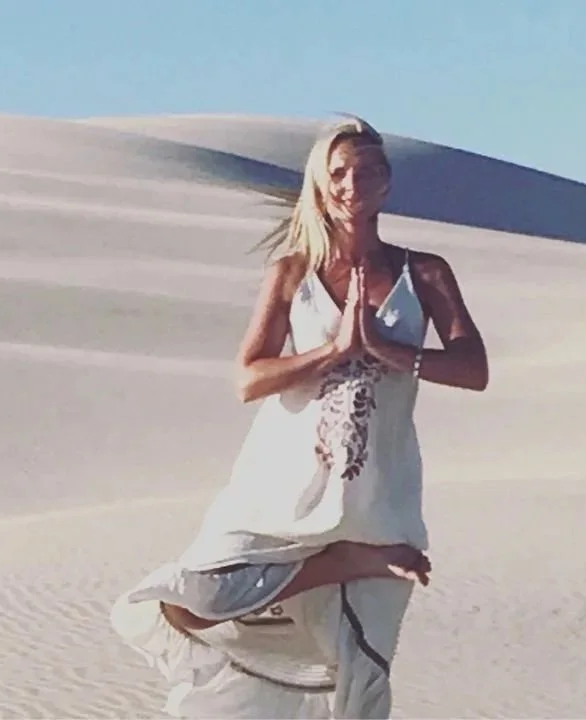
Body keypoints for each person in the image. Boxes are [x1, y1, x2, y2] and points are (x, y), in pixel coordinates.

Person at [110, 115, 488, 719]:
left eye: (366, 169)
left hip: (377, 498)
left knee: (359, 676)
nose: (351, 182)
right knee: (196, 596)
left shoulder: (427, 272)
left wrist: (393, 352)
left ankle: (352, 561)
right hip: (280, 487)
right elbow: (248, 378)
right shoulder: (291, 272)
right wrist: (333, 351)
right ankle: (335, 564)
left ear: (387, 183)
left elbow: (474, 369)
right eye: (338, 172)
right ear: (320, 183)